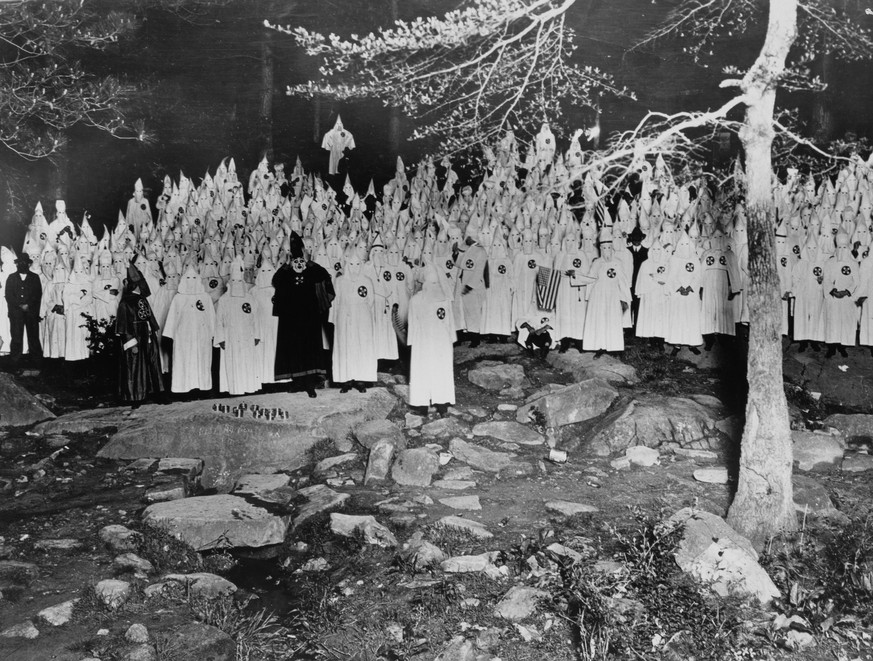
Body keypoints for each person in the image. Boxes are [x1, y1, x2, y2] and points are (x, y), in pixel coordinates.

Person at [272, 236, 334, 397]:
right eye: (296, 262)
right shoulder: (285, 275)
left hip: (309, 320)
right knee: (294, 351)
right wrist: (285, 264)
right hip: (291, 320)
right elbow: (275, 280)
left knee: (309, 351)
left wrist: (310, 261)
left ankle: (309, 385)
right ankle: (297, 383)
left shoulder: (311, 272)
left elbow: (324, 275)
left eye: (301, 261)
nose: (299, 264)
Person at [407, 264, 456, 416]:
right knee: (430, 372)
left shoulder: (440, 300)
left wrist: (451, 338)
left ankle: (436, 406)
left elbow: (449, 321)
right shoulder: (418, 300)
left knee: (434, 371)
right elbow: (413, 322)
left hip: (434, 343)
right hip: (430, 343)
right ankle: (429, 406)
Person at [115, 262, 164, 406]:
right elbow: (123, 326)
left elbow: (149, 318)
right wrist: (131, 343)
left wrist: (152, 333)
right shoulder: (125, 303)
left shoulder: (143, 299)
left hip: (148, 336)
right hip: (135, 337)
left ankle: (159, 394)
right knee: (135, 366)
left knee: (154, 363)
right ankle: (135, 397)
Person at [5, 253, 42, 360]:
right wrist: (19, 305)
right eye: (20, 263)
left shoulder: (35, 278)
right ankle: (14, 365)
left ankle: (37, 364)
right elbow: (9, 295)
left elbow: (37, 294)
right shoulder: (11, 278)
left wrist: (28, 305)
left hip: (31, 313)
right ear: (16, 264)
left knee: (34, 338)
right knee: (16, 339)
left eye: (24, 263)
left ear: (29, 264)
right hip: (16, 314)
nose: (22, 264)